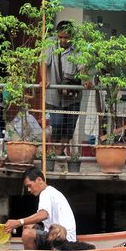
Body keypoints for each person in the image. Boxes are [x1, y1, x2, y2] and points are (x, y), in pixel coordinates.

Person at [4, 167, 77, 250]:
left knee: (27, 234)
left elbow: (43, 215)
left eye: (29, 186)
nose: (29, 190)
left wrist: (18, 222)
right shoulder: (50, 191)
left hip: (63, 238)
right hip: (53, 232)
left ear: (39, 180)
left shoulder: (46, 193)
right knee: (27, 226)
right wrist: (21, 223)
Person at [44, 21, 81, 155]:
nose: (64, 40)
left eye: (66, 37)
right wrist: (45, 79)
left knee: (69, 128)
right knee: (57, 125)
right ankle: (51, 154)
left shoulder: (78, 47)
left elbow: (82, 67)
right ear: (57, 35)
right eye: (61, 37)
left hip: (73, 96)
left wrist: (86, 79)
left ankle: (56, 154)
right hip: (54, 96)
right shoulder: (50, 43)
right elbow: (43, 63)